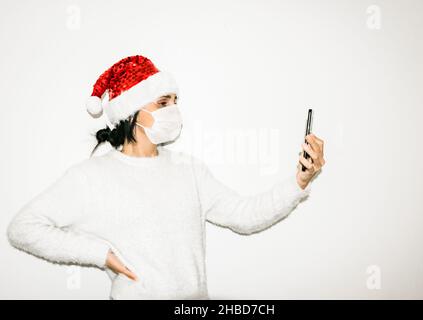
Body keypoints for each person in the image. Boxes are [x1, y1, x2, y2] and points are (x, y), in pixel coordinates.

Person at [6, 55, 326, 300]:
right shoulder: (91, 177)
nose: (173, 111)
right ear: (131, 112)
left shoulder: (189, 170)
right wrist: (101, 255)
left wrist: (299, 181)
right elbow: (23, 228)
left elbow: (245, 217)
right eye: (162, 102)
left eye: (175, 102)